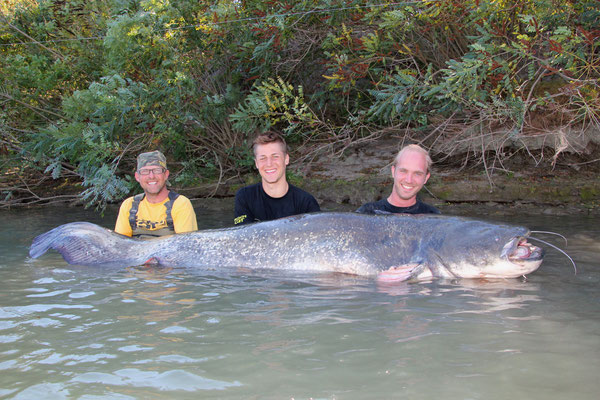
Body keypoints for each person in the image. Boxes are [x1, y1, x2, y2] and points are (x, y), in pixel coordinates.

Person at [234, 132, 320, 225]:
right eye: (263, 158)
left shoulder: (306, 203)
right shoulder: (244, 197)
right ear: (256, 163)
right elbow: (243, 236)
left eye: (275, 156)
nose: (269, 164)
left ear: (286, 159)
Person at [115, 150, 198, 238]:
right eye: (145, 171)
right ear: (137, 177)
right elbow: (119, 244)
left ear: (166, 174)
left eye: (157, 170)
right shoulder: (129, 205)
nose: (151, 176)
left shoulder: (181, 204)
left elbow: (186, 246)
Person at [356, 144, 440, 215]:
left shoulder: (433, 216)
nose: (409, 180)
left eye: (417, 173)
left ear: (426, 178)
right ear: (393, 171)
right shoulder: (367, 212)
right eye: (403, 171)